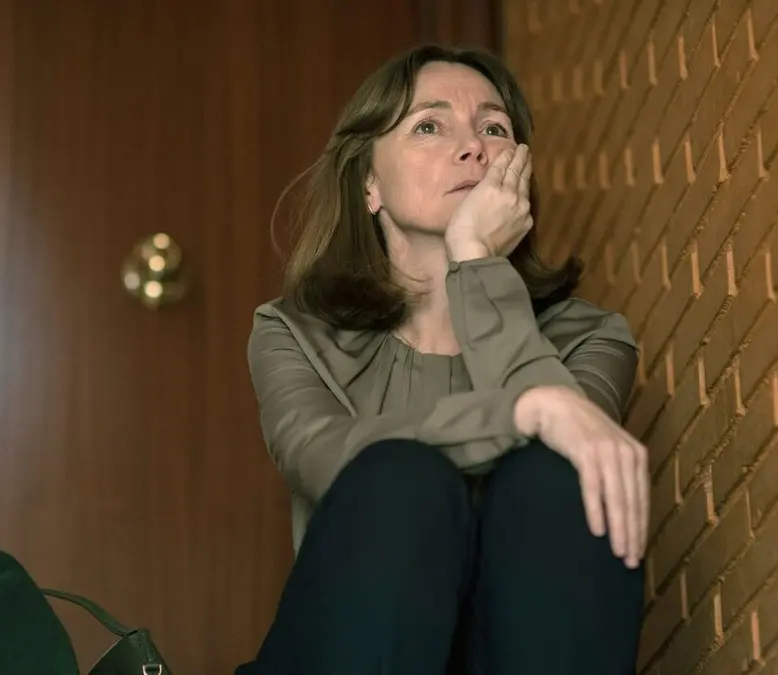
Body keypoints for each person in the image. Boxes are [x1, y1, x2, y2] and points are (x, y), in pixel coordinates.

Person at [237, 43, 649, 675]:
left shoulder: (590, 337)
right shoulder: (293, 333)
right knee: (400, 477)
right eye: (429, 126)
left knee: (562, 470)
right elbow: (324, 459)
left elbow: (579, 459)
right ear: (369, 184)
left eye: (494, 129)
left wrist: (476, 259)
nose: (473, 148)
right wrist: (524, 411)